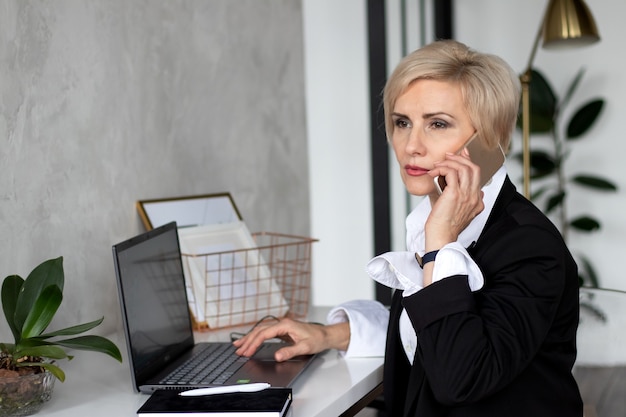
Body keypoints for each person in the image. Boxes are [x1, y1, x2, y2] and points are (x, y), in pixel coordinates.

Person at [233, 39, 583, 416]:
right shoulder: (433, 222)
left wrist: (441, 245)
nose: (411, 145)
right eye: (402, 123)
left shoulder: (528, 245)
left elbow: (460, 376)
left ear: (489, 138)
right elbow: (434, 329)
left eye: (437, 124)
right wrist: (330, 334)